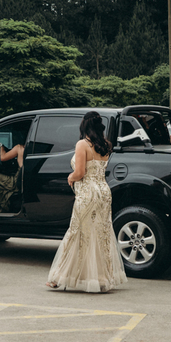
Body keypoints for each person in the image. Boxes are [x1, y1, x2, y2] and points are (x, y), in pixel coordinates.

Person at [46, 111, 127, 293]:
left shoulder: (82, 144)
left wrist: (70, 177)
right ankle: (102, 277)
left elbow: (81, 172)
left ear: (84, 125)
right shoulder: (106, 145)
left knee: (78, 232)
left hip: (88, 193)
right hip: (103, 192)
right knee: (101, 233)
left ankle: (61, 277)